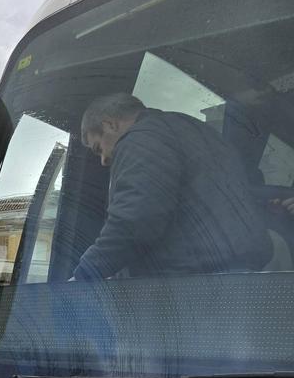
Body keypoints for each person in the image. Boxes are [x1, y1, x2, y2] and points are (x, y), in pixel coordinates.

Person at [74, 92, 269, 281]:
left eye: (99, 148)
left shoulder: (142, 138)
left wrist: (86, 272)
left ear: (110, 124)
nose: (103, 160)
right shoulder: (199, 132)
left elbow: (137, 219)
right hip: (237, 276)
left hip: (190, 288)